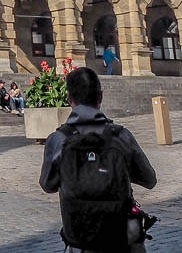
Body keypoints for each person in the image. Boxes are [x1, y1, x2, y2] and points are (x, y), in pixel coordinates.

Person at [40, 66, 157, 252]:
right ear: (100, 97)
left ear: (70, 99)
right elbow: (150, 180)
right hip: (120, 238)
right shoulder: (121, 136)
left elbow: (48, 185)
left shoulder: (58, 139)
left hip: (79, 240)